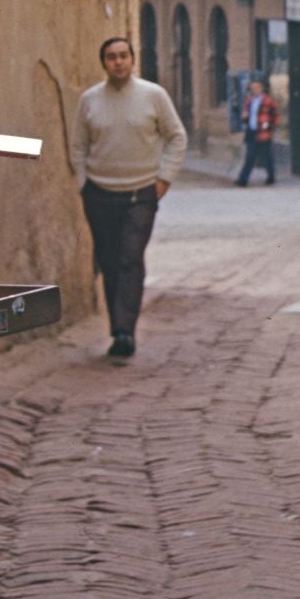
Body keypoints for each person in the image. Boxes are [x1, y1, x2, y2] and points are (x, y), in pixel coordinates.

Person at [69, 35, 186, 360]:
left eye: (123, 55)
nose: (118, 61)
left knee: (130, 258)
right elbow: (78, 144)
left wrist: (164, 179)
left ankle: (125, 331)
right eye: (111, 57)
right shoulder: (90, 99)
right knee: (109, 261)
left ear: (132, 59)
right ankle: (117, 326)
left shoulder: (153, 95)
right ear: (103, 62)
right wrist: (82, 182)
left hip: (141, 194)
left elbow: (176, 137)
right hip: (100, 193)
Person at [234, 76, 279, 187]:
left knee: (267, 157)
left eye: (257, 87)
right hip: (252, 131)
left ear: (262, 88)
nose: (255, 90)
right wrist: (244, 117)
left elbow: (275, 117)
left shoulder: (268, 101)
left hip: (264, 132)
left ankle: (271, 177)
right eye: (253, 88)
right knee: (250, 156)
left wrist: (268, 128)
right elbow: (245, 116)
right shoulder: (249, 101)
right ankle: (243, 179)